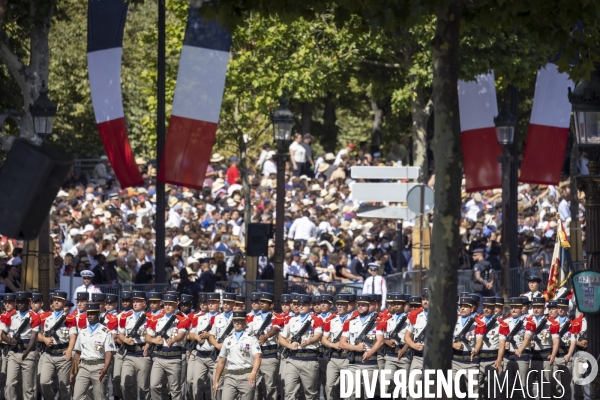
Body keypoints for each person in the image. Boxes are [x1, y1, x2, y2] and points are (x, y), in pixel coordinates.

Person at [278, 294, 322, 400]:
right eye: (299, 304)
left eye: (304, 304)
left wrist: (309, 341)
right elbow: (281, 338)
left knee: (310, 393)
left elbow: (318, 336)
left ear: (310, 306)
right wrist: (289, 345)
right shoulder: (291, 320)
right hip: (293, 359)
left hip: (309, 360)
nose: (301, 306)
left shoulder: (316, 320)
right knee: (289, 391)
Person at [146, 293, 189, 400]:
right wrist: (153, 340)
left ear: (176, 304)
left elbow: (182, 334)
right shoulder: (156, 318)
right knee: (154, 385)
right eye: (166, 304)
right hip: (159, 357)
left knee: (175, 390)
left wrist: (174, 339)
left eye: (170, 304)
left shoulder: (182, 318)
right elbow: (146, 337)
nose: (167, 307)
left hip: (174, 358)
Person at [339, 294, 383, 400]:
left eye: (363, 305)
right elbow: (342, 343)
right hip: (353, 363)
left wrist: (370, 352)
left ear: (369, 306)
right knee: (351, 394)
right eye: (359, 305)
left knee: (369, 395)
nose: (360, 307)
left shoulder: (377, 321)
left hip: (370, 363)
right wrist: (356, 348)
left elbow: (380, 341)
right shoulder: (350, 321)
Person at [70, 302, 116, 399]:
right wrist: (73, 372)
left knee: (100, 397)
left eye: (93, 314)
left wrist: (105, 369)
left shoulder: (105, 332)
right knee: (77, 397)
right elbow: (78, 353)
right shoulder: (82, 331)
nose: (90, 316)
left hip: (98, 367)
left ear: (98, 315)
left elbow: (108, 353)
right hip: (84, 367)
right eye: (88, 313)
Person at [0, 291, 41, 400]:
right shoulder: (10, 316)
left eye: (23, 301)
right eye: (18, 301)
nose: (20, 303)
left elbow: (33, 336)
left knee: (28, 388)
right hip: (13, 352)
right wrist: (9, 341)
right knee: (9, 384)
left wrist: (27, 351)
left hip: (28, 353)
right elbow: (3, 334)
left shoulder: (34, 316)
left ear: (29, 302)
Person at [37, 291, 77, 400]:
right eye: (55, 300)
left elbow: (73, 336)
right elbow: (36, 334)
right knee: (44, 382)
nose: (56, 302)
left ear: (64, 303)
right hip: (48, 354)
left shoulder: (69, 318)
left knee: (64, 386)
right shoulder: (44, 317)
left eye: (59, 300)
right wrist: (44, 339)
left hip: (63, 354)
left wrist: (69, 350)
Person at [213, 310, 262, 400]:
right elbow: (221, 361)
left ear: (245, 322)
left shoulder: (251, 339)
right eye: (235, 321)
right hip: (230, 376)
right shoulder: (228, 339)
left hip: (246, 375)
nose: (237, 323)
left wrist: (253, 373)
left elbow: (257, 357)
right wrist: (216, 381)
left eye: (240, 320)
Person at [119, 291, 151, 400]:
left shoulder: (150, 318)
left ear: (144, 303)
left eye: (138, 301)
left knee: (143, 388)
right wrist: (125, 340)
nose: (135, 304)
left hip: (142, 354)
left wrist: (148, 343)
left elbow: (154, 334)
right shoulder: (125, 316)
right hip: (129, 354)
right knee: (124, 384)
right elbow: (121, 333)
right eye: (134, 301)